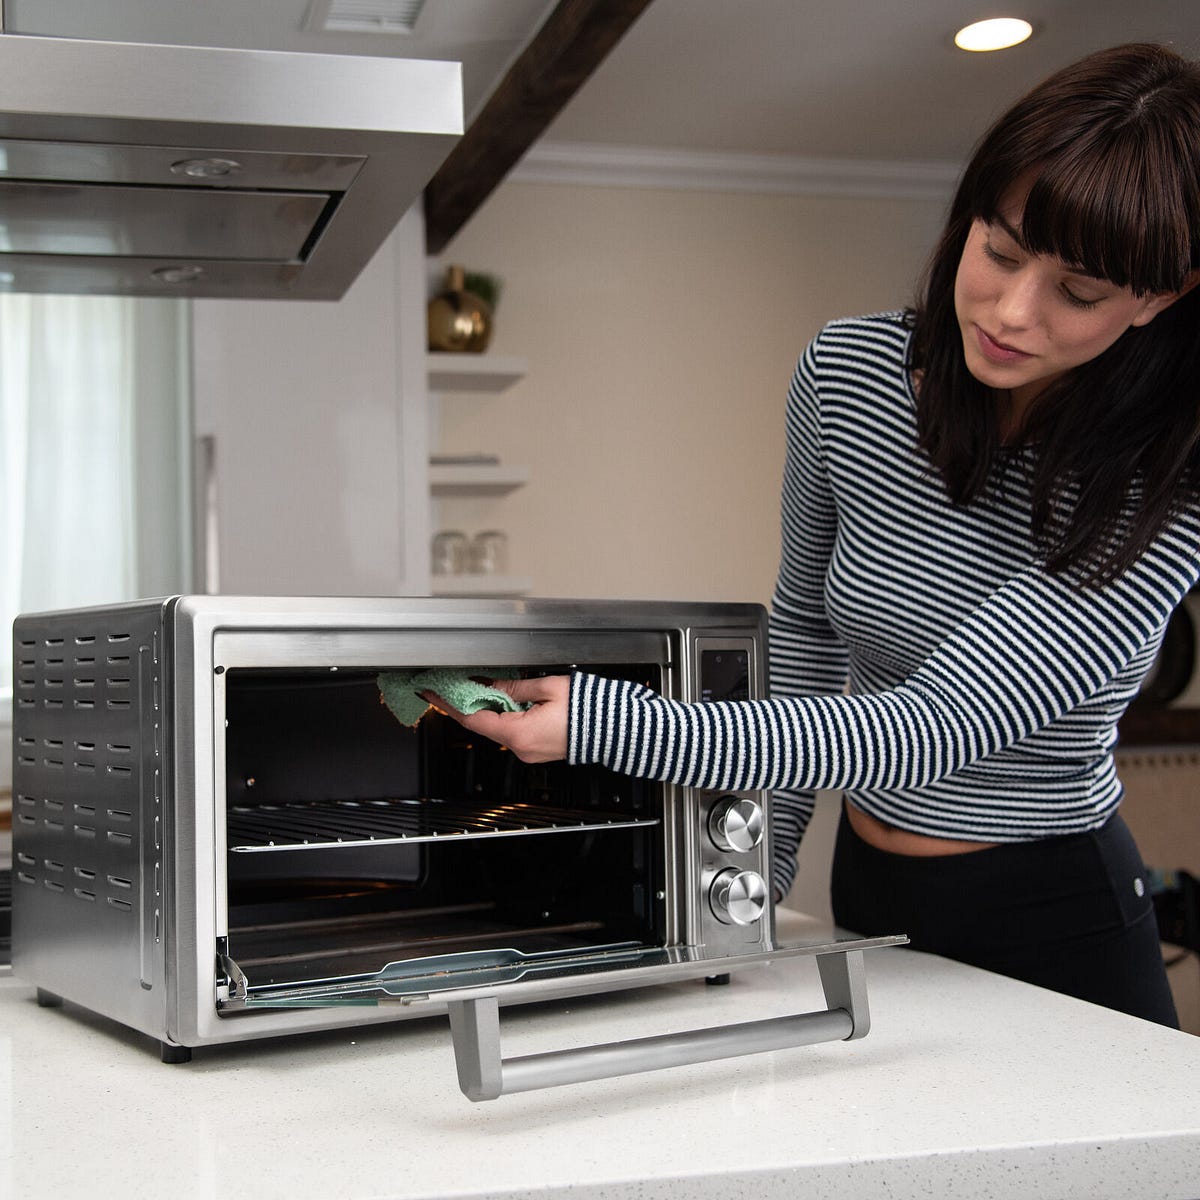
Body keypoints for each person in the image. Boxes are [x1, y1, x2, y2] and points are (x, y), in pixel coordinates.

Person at [429, 43, 1200, 1029]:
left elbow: (930, 728)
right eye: (1000, 251)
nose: (1014, 311)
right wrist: (769, 866)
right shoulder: (849, 375)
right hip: (868, 884)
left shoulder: (1168, 491)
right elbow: (803, 628)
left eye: (1079, 293)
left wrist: (600, 724)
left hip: (1054, 914)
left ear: (1162, 297)